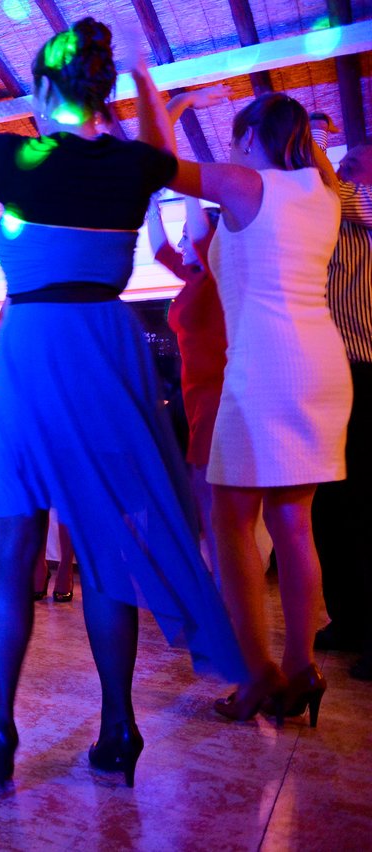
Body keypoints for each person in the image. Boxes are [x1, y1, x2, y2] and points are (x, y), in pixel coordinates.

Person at [0, 5, 246, 785]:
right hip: (110, 351)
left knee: (17, 548)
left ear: (41, 91)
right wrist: (145, 76)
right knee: (105, 546)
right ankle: (120, 727)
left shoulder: (22, 161)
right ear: (105, 93)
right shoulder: (135, 167)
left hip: (34, 352)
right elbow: (158, 151)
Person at [138, 70, 349, 724]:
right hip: (321, 366)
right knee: (294, 523)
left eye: (236, 143)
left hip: (262, 369)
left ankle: (258, 675)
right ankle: (300, 666)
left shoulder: (245, 184)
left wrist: (151, 96)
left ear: (253, 138)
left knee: (229, 522)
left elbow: (159, 165)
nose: (230, 155)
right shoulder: (327, 194)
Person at [308, 123, 372, 682]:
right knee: (331, 503)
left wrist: (310, 145)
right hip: (330, 373)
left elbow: (339, 190)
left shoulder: (360, 203)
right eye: (342, 158)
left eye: (355, 158)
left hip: (369, 370)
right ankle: (348, 619)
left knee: (366, 506)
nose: (343, 164)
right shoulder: (335, 220)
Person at [147, 189, 225, 579]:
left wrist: (191, 188)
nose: (182, 242)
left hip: (216, 393)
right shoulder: (193, 277)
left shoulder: (218, 273)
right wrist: (150, 203)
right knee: (199, 496)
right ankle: (212, 583)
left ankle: (223, 589)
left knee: (211, 499)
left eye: (188, 235)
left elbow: (197, 238)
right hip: (194, 396)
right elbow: (160, 249)